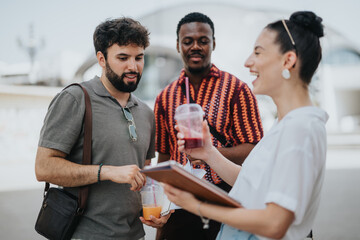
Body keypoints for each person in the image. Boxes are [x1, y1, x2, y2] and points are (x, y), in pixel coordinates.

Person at [163, 11, 328, 240]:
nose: (247, 62)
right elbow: (253, 183)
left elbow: (274, 224)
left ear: (288, 60)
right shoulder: (288, 125)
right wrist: (209, 153)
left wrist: (196, 207)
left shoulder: (299, 130)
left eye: (258, 52)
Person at [35, 17, 171, 240]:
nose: (133, 67)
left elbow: (144, 177)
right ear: (101, 59)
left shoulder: (146, 112)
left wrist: (157, 209)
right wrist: (107, 171)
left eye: (139, 58)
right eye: (123, 58)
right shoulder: (76, 98)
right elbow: (43, 168)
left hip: (135, 235)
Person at [154, 12, 264, 239]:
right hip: (179, 204)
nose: (196, 46)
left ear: (213, 43)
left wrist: (209, 154)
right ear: (177, 46)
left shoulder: (237, 89)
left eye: (203, 40)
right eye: (188, 41)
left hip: (225, 199)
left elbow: (255, 149)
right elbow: (164, 157)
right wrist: (163, 217)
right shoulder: (165, 97)